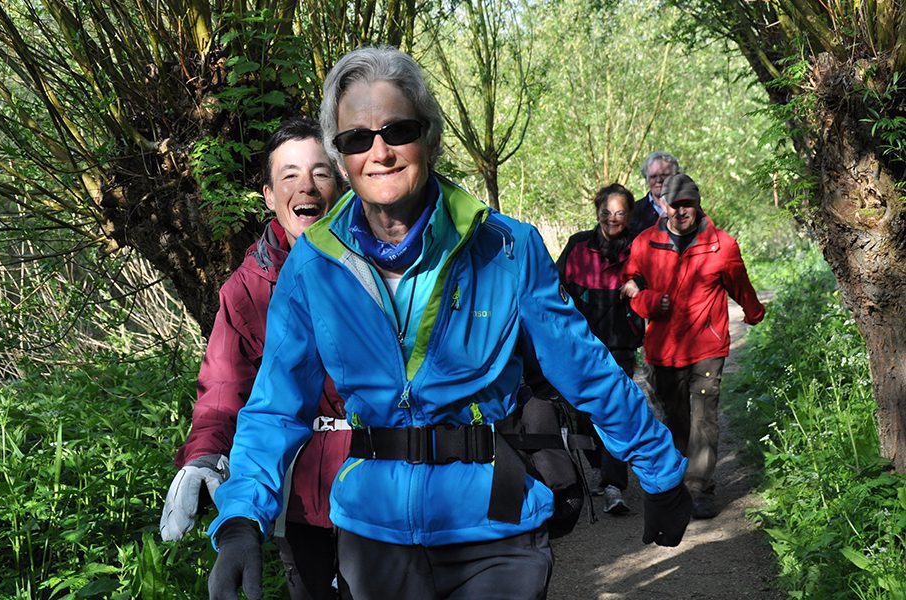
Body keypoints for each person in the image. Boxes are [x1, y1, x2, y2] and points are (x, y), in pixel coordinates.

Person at [207, 47, 692, 600]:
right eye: (356, 139)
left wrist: (660, 470)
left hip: (495, 524)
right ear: (342, 158)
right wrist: (242, 518)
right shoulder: (313, 265)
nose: (380, 152)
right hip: (374, 533)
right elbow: (275, 404)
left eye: (399, 129)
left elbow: (584, 369)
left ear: (430, 137)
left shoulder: (507, 247)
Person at [160, 117, 352, 599]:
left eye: (320, 173)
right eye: (289, 175)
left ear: (342, 184)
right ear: (269, 195)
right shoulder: (245, 291)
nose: (306, 186)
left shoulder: (381, 263)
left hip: (386, 488)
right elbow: (224, 392)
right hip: (301, 497)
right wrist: (204, 457)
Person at [621, 173, 765, 519]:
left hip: (706, 348)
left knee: (704, 420)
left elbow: (739, 283)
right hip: (662, 349)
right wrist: (650, 303)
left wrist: (753, 311)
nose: (682, 211)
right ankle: (678, 480)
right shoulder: (644, 244)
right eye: (676, 204)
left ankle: (698, 488)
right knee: (674, 419)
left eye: (688, 204)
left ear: (698, 205)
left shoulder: (722, 245)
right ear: (664, 205)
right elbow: (629, 287)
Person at [556, 183, 644, 516]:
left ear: (630, 215)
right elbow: (552, 286)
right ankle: (597, 467)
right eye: (606, 212)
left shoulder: (639, 247)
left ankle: (613, 485)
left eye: (620, 213)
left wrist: (641, 286)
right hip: (580, 347)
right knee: (582, 413)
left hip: (620, 345)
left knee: (614, 411)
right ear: (597, 212)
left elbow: (657, 281)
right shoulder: (578, 246)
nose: (612, 219)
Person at [628, 151, 680, 239]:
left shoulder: (688, 209)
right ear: (646, 179)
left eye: (664, 175)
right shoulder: (633, 213)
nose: (659, 180)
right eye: (653, 176)